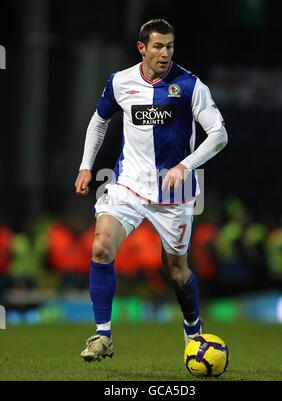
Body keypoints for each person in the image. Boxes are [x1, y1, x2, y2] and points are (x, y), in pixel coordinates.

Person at [75, 19, 228, 362]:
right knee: (101, 247)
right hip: (127, 184)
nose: (165, 53)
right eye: (158, 46)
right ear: (141, 48)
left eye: (170, 46)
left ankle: (194, 331)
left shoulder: (190, 85)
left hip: (174, 193)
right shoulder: (120, 81)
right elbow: (99, 120)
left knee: (176, 270)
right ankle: (102, 335)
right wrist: (87, 165)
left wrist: (184, 166)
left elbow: (219, 134)